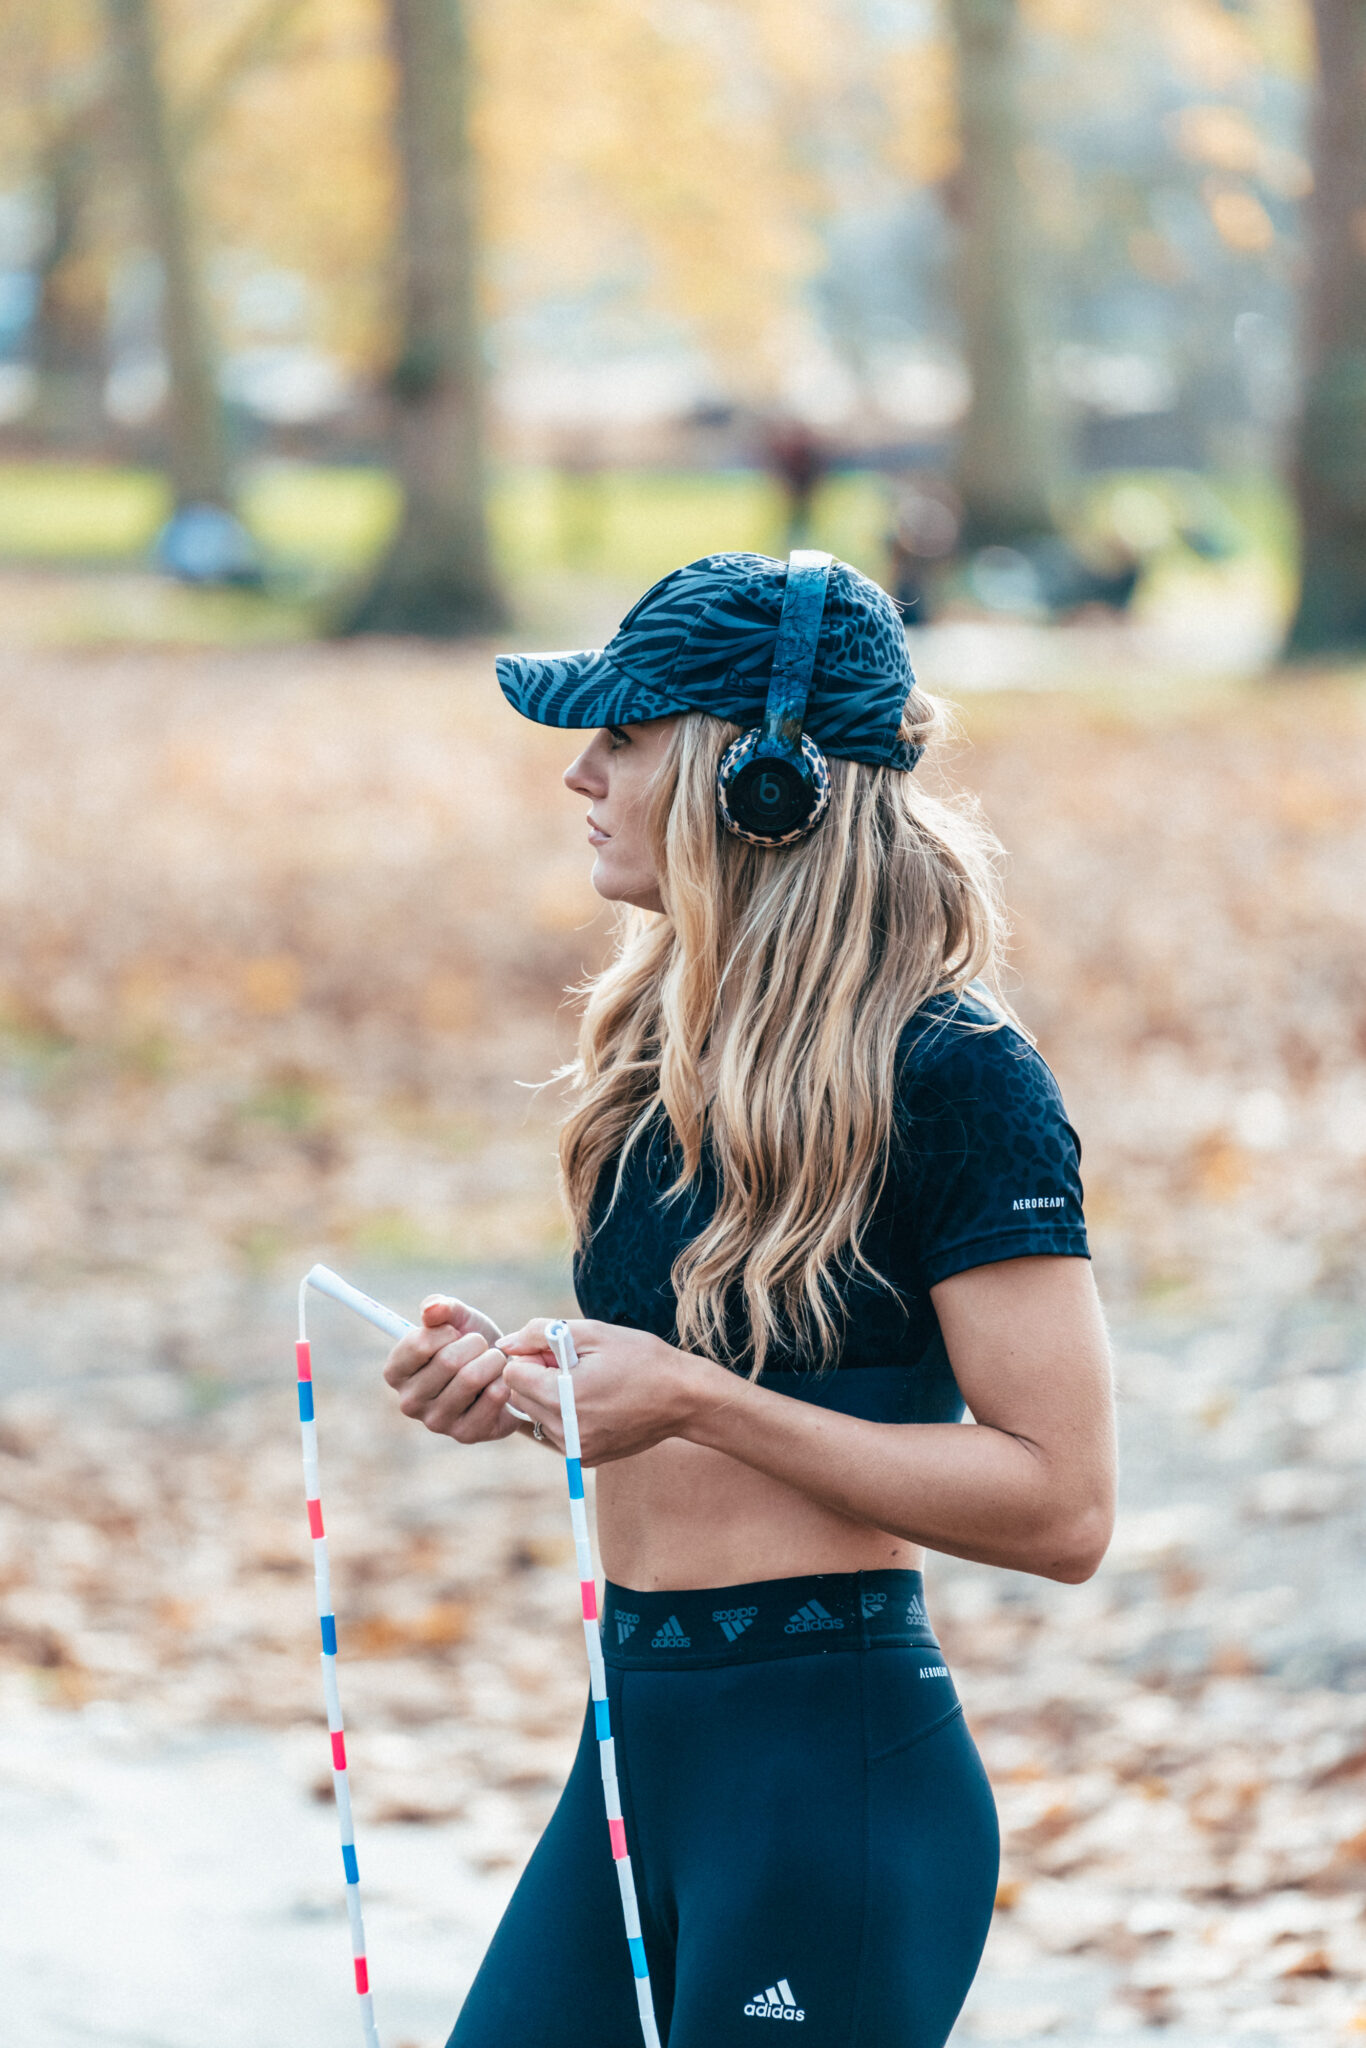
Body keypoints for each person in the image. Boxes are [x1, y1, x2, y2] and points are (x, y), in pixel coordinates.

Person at [381, 550, 1116, 2048]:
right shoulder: (651, 1061)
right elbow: (692, 1403)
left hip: (827, 1781)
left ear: (757, 780)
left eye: (625, 739)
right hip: (633, 1747)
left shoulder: (957, 1077)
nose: (580, 774)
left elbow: (1062, 1507)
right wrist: (532, 1390)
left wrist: (698, 1400)